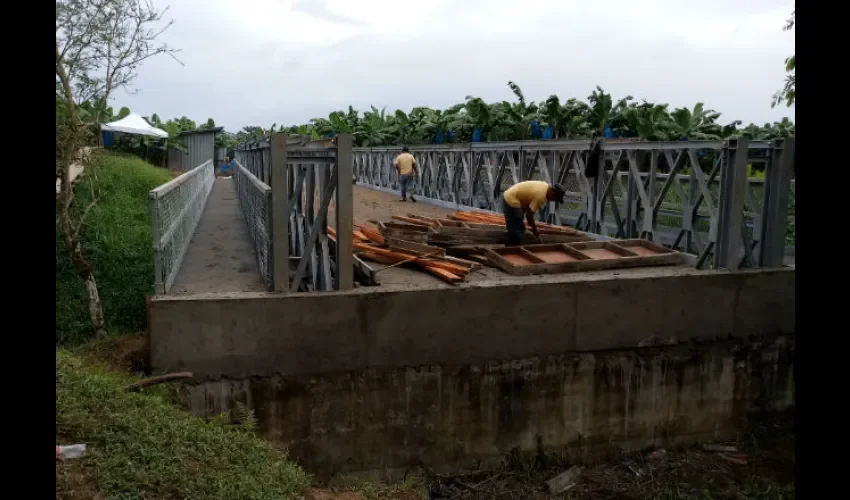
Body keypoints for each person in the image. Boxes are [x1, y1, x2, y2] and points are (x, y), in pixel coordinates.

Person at [501, 180, 566, 245]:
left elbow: (528, 201)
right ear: (553, 193)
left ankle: (512, 244)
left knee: (517, 225)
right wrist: (535, 230)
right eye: (555, 198)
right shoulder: (541, 196)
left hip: (514, 197)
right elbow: (529, 216)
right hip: (510, 199)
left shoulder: (545, 186)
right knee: (517, 228)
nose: (553, 200)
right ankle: (513, 247)